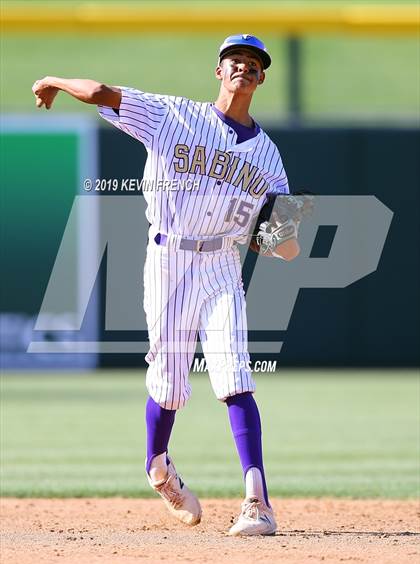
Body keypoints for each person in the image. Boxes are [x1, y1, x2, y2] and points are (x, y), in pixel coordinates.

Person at [32, 34, 299, 536]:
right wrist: (55, 82)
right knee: (171, 385)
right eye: (234, 60)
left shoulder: (267, 154)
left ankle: (257, 502)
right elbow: (102, 93)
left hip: (221, 263)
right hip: (168, 259)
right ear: (217, 71)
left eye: (253, 64)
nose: (243, 67)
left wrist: (281, 236)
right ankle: (158, 465)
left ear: (261, 78)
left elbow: (281, 237)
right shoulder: (174, 115)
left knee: (234, 374)